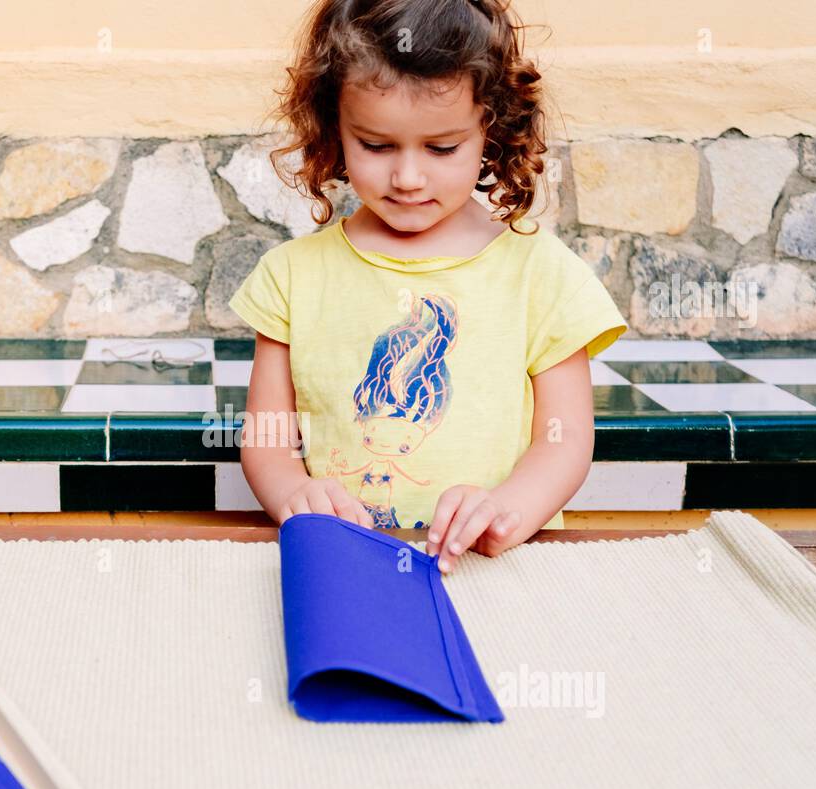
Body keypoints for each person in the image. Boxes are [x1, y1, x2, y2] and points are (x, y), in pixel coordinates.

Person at [229, 0, 628, 570]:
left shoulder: (541, 274)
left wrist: (505, 510)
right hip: (347, 565)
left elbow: (563, 442)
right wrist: (296, 494)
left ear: (492, 126)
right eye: (376, 144)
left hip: (495, 568)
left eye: (442, 148)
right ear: (333, 127)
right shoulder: (292, 276)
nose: (408, 178)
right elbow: (268, 437)